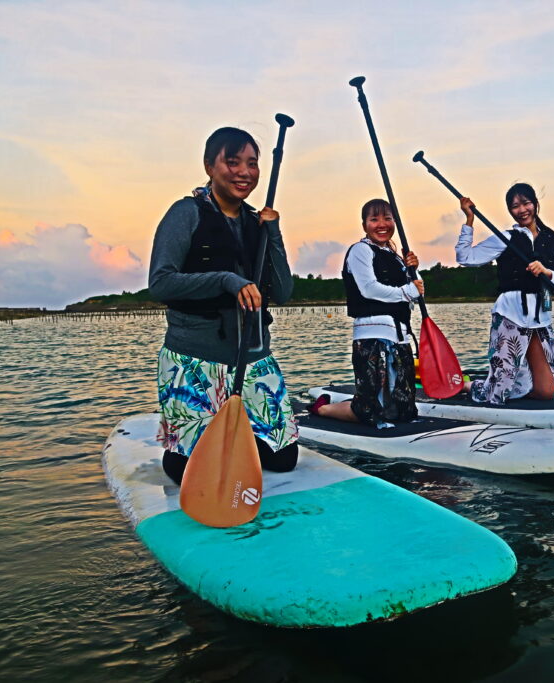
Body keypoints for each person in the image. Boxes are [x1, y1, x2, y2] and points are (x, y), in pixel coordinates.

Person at [148, 126, 298, 484]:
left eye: (252, 163)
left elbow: (284, 292)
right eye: (232, 162)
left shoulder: (254, 221)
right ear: (209, 166)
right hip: (194, 358)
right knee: (189, 471)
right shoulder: (186, 213)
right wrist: (225, 280)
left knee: (284, 459)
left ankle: (232, 439)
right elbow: (161, 283)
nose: (244, 172)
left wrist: (272, 232)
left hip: (253, 355)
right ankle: (186, 449)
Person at [455, 182, 554, 404]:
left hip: (540, 318)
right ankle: (471, 385)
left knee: (546, 391)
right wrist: (469, 220)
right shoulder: (506, 237)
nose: (522, 210)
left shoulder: (553, 240)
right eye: (515, 206)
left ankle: (518, 382)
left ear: (536, 204)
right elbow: (465, 257)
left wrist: (546, 272)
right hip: (510, 314)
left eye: (526, 203)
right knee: (497, 393)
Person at [311, 199, 423, 426]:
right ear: (364, 224)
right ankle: (322, 408)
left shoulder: (395, 256)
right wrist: (408, 291)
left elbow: (418, 291)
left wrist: (413, 269)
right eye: (374, 219)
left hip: (399, 334)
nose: (382, 224)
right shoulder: (360, 250)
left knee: (405, 410)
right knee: (369, 411)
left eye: (387, 218)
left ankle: (368, 404)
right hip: (372, 334)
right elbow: (369, 289)